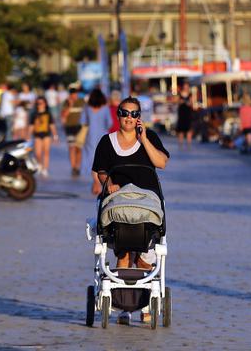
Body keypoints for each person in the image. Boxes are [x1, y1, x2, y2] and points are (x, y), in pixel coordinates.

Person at [92, 96, 170, 324]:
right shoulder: (107, 142)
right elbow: (101, 172)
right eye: (125, 113)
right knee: (124, 254)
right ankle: (122, 307)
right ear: (118, 115)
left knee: (145, 257)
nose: (129, 117)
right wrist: (110, 184)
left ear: (139, 117)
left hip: (147, 204)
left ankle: (145, 304)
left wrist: (144, 139)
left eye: (134, 114)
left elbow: (161, 163)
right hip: (119, 202)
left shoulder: (150, 136)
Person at [81, 89, 113, 194]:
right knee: (102, 160)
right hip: (103, 136)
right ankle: (99, 183)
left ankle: (96, 182)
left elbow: (83, 121)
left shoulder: (87, 108)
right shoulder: (105, 108)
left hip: (90, 136)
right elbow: (110, 123)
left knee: (92, 160)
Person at [29, 97, 59, 178]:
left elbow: (52, 125)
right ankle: (40, 165)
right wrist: (28, 136)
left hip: (46, 135)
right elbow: (31, 126)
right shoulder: (33, 114)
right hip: (37, 135)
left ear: (45, 104)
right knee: (37, 153)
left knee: (46, 152)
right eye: (38, 103)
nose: (40, 105)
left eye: (41, 103)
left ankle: (45, 169)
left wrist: (55, 136)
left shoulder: (48, 114)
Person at [61, 88, 86, 176]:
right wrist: (70, 105)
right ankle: (73, 168)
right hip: (69, 127)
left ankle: (77, 167)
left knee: (78, 148)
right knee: (71, 148)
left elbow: (86, 113)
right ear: (70, 95)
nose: (75, 96)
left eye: (76, 94)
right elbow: (64, 115)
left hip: (80, 128)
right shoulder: (66, 102)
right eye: (73, 94)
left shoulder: (82, 101)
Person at [176, 83, 193, 149]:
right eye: (185, 86)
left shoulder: (190, 94)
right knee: (181, 130)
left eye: (187, 87)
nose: (186, 88)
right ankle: (180, 145)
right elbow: (176, 102)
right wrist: (181, 101)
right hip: (181, 114)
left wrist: (188, 103)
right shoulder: (179, 94)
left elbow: (191, 103)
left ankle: (189, 145)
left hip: (188, 114)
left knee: (188, 129)